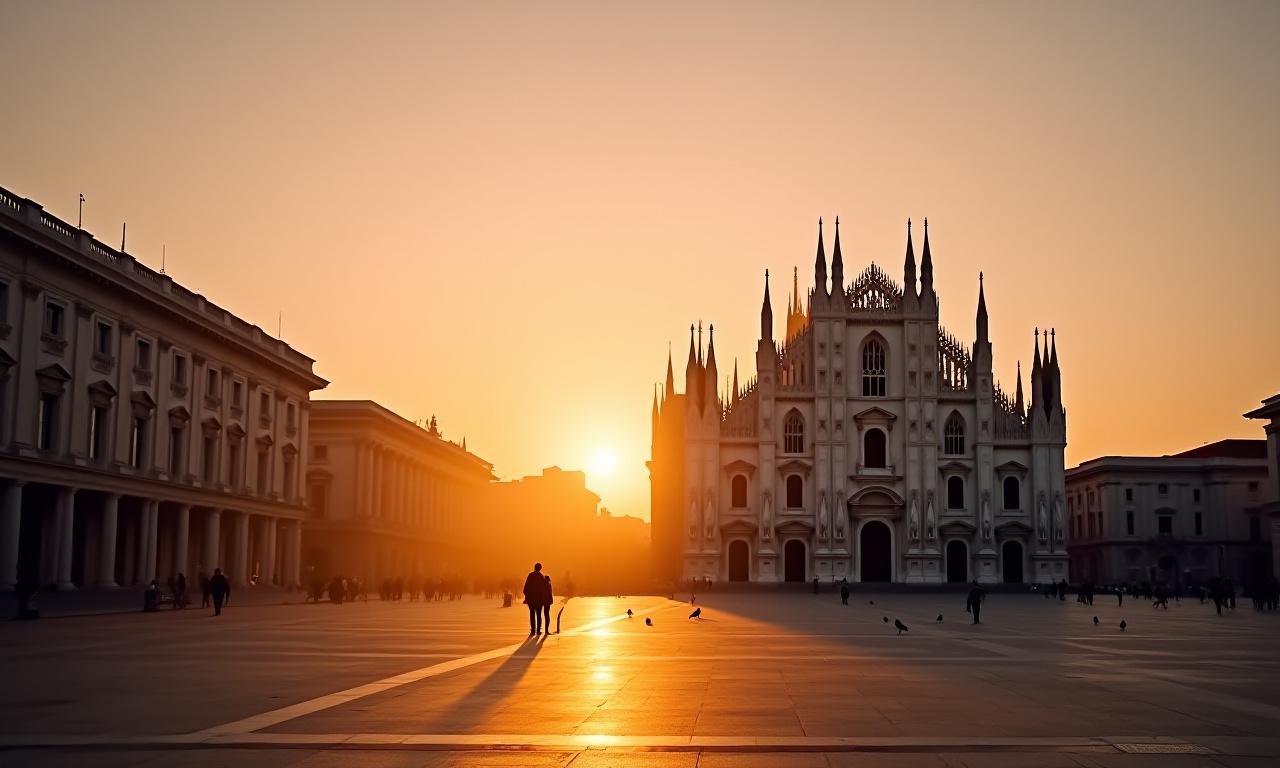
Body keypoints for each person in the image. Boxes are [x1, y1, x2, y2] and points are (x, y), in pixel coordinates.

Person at [522, 563, 547, 635]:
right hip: (539, 600)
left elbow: (525, 588)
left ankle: (533, 630)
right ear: (540, 568)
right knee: (539, 615)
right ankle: (538, 630)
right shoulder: (541, 577)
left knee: (532, 614)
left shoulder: (530, 575)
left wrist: (527, 597)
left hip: (531, 600)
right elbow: (543, 590)